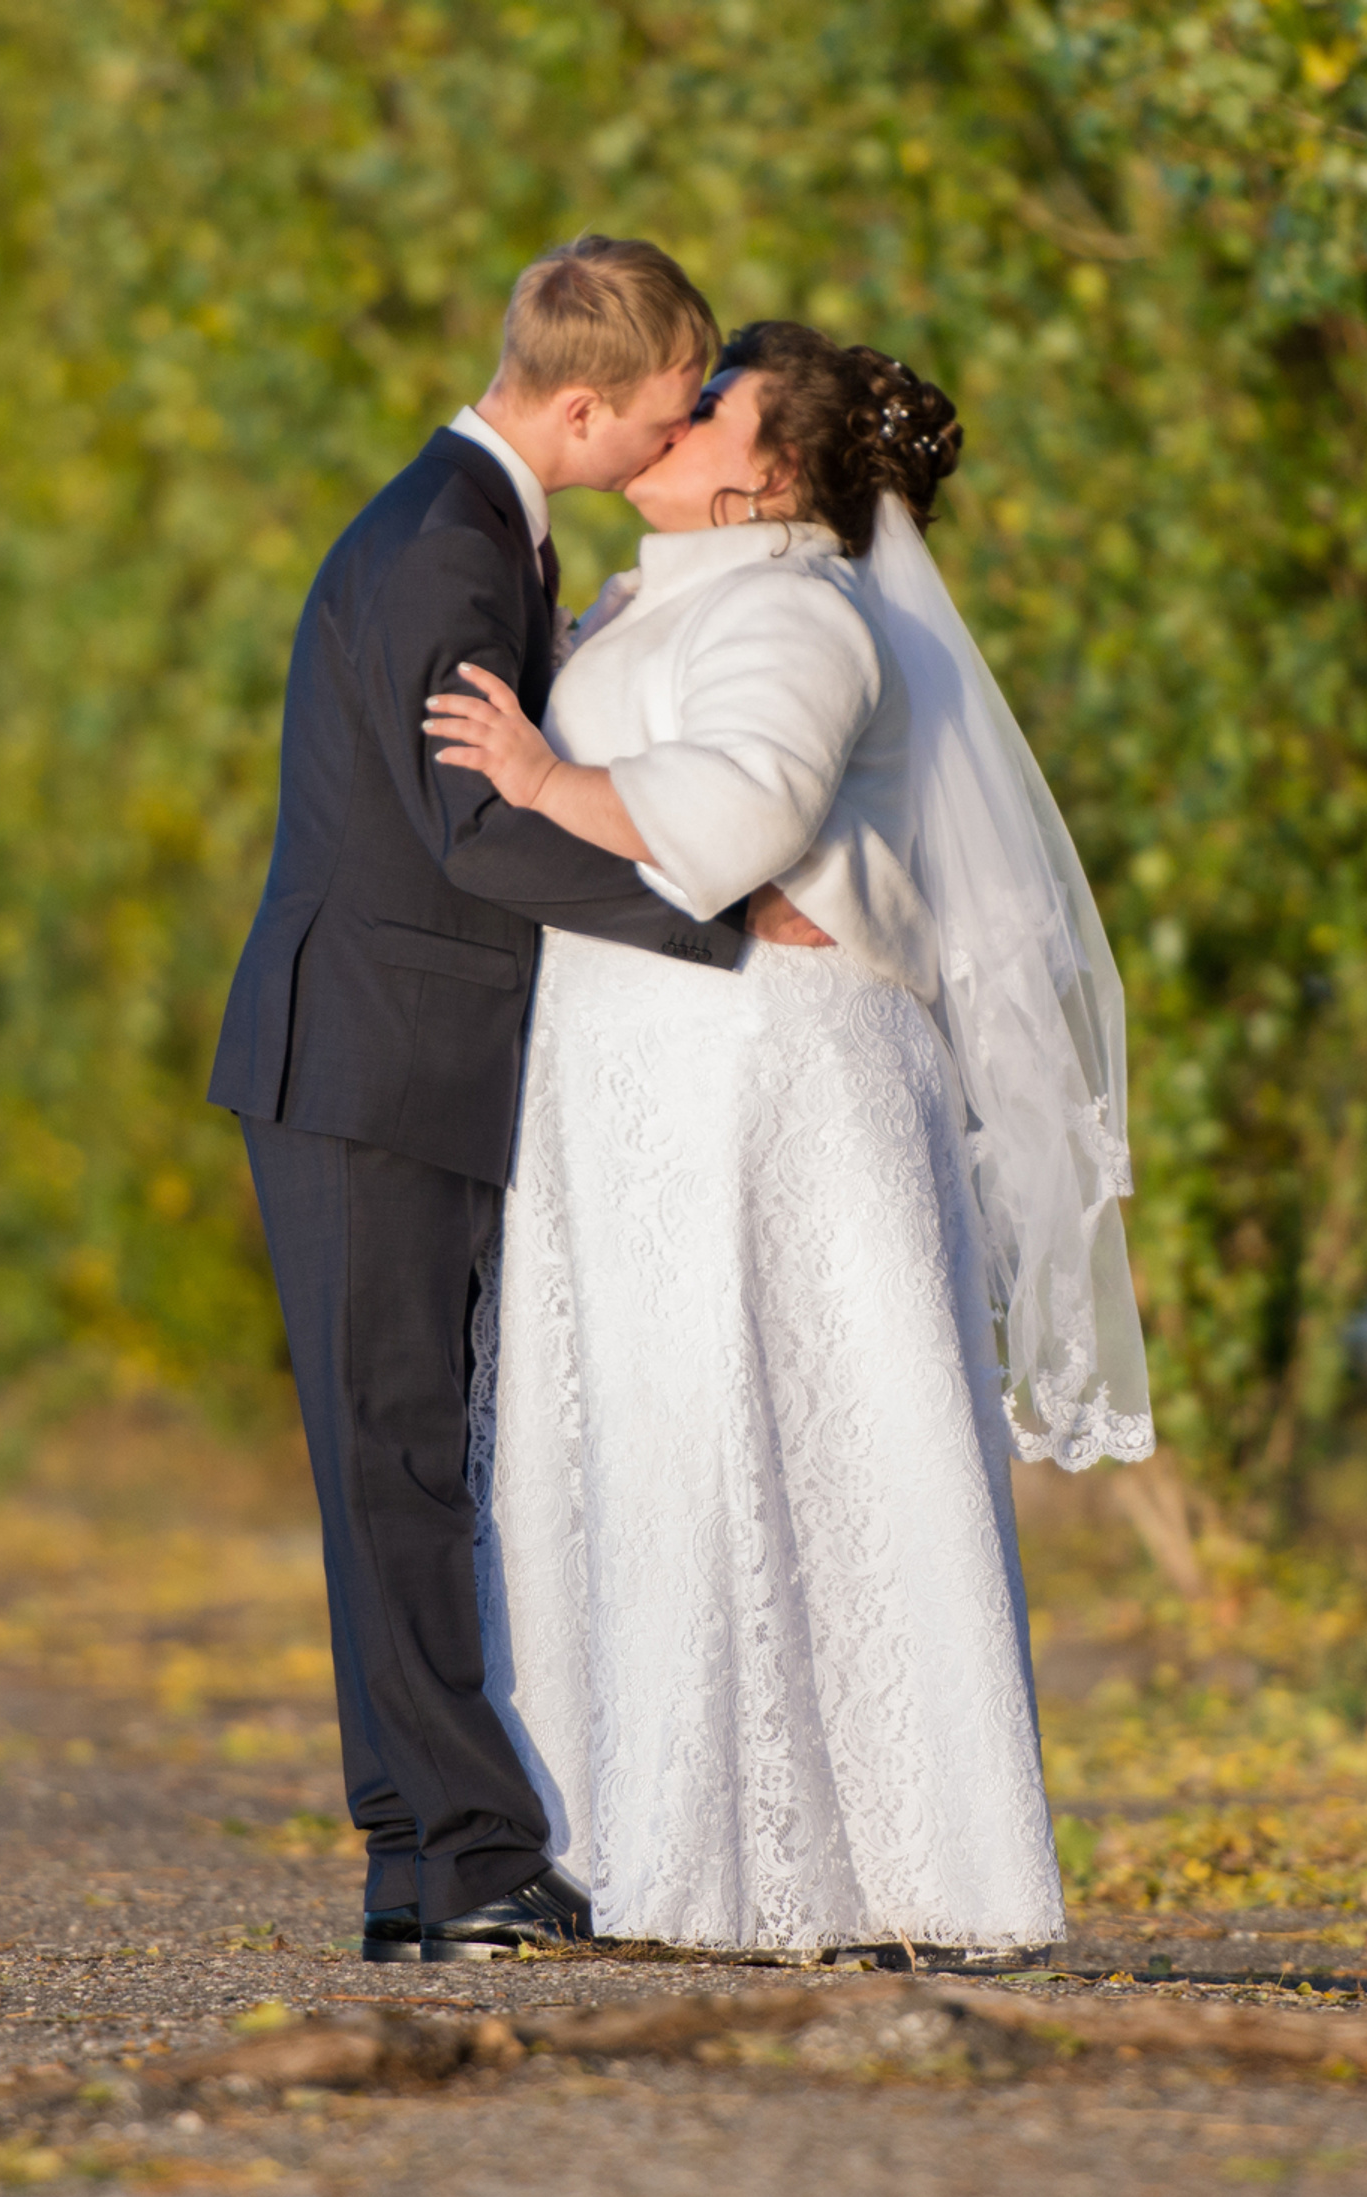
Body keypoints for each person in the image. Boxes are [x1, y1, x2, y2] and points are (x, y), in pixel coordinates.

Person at [423, 322, 1153, 1960]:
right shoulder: (667, 589)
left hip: (765, 1079)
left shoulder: (796, 608)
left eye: (713, 404)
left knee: (776, 1439)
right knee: (663, 1436)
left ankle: (883, 1869)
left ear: (772, 474)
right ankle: (655, 1838)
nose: (675, 419)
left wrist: (543, 778)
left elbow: (744, 811)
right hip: (657, 1065)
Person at [206, 237, 738, 1963]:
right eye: (668, 413)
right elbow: (472, 832)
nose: (680, 438)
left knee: (402, 1464)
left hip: (387, 1057)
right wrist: (711, 926)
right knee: (400, 1466)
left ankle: (422, 1869)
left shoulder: (476, 520)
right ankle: (472, 1852)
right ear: (579, 404)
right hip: (364, 1063)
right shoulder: (445, 545)